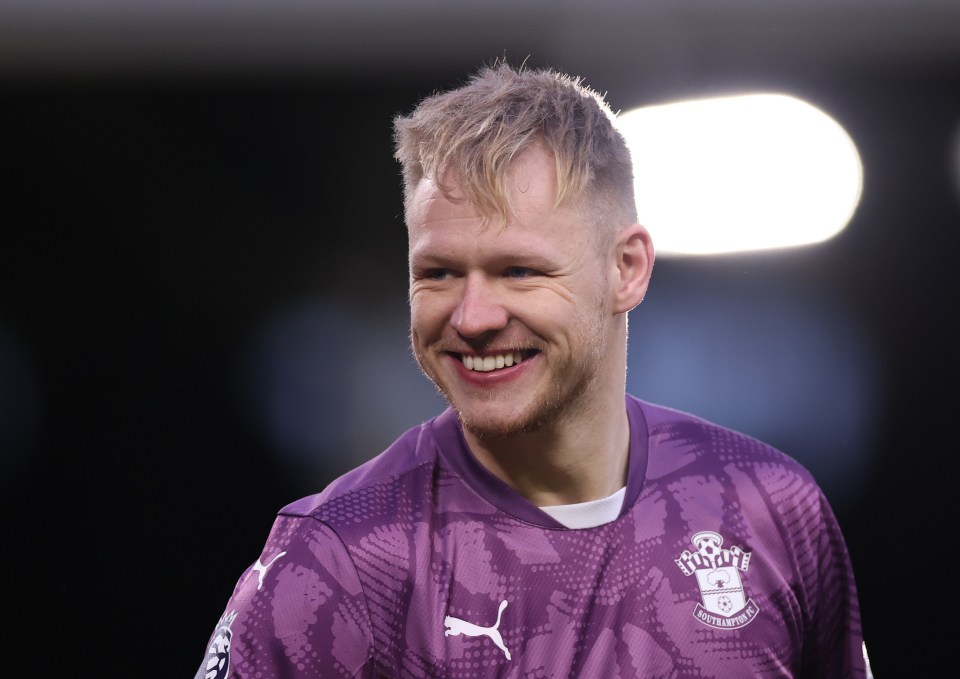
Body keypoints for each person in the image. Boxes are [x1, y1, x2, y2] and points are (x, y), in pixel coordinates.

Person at [194, 61, 870, 678]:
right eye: (439, 272)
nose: (473, 315)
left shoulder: (774, 510)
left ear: (626, 269)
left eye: (519, 270)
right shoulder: (334, 561)